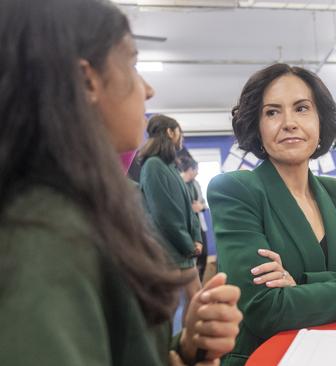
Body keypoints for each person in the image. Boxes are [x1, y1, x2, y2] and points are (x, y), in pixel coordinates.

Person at [0, 0, 242, 365]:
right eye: (131, 63)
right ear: (86, 82)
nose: (147, 90)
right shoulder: (44, 239)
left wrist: (184, 348)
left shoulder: (77, 209)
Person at [208, 63, 336, 366]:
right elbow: (265, 311)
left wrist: (298, 287)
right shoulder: (235, 190)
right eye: (272, 112)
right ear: (257, 127)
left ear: (320, 121)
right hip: (266, 357)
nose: (289, 122)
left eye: (302, 108)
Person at [139, 114, 204, 322]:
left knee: (197, 302)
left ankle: (189, 349)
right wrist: (189, 245)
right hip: (169, 253)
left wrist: (197, 238)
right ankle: (172, 351)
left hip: (184, 252)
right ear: (170, 132)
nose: (181, 137)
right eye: (179, 132)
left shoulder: (171, 167)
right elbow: (165, 214)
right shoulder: (153, 165)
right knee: (169, 311)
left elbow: (188, 209)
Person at [178, 155, 209, 281]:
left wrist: (200, 206)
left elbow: (204, 203)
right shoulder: (178, 183)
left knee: (204, 253)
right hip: (185, 226)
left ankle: (199, 281)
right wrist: (190, 208)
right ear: (190, 169)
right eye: (196, 169)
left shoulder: (196, 184)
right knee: (189, 256)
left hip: (199, 224)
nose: (198, 172)